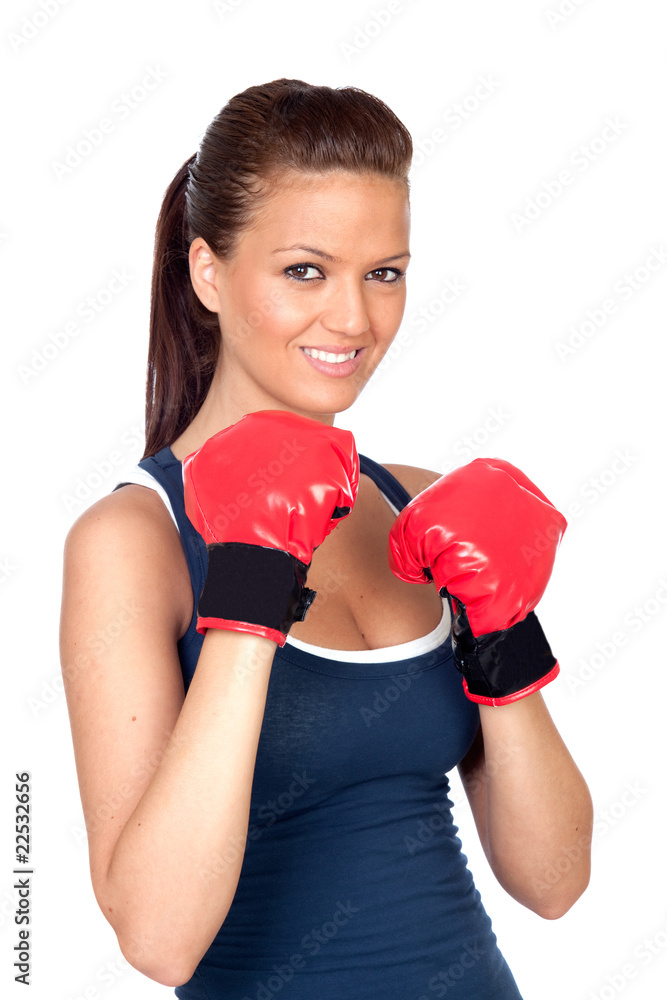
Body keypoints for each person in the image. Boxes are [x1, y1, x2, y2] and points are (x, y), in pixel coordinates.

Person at [60, 78, 593, 999]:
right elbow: (157, 939)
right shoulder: (132, 539)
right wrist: (251, 585)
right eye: (305, 270)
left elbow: (553, 884)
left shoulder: (421, 507)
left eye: (383, 271)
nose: (353, 319)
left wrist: (504, 632)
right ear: (208, 273)